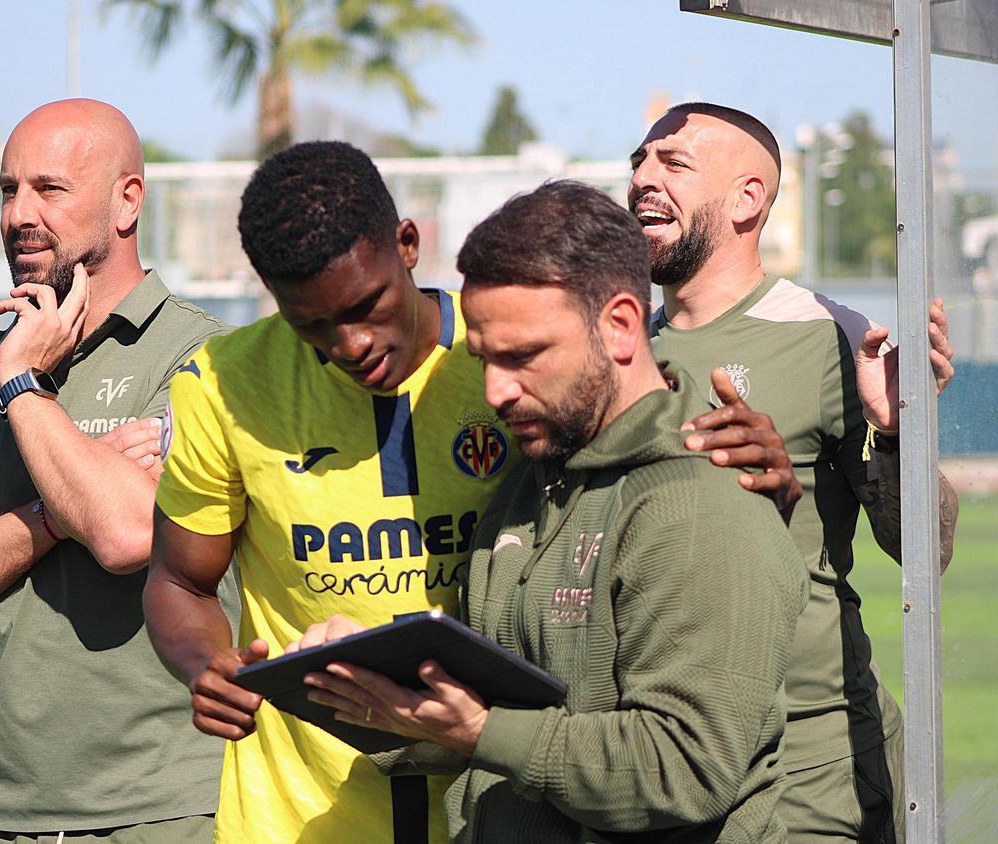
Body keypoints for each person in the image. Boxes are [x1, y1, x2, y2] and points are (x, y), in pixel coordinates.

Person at [302, 181, 810, 843]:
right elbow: (522, 717)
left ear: (622, 325)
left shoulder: (702, 505)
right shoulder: (529, 486)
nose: (495, 390)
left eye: (523, 357)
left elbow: (684, 768)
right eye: (484, 359)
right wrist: (383, 689)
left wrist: (481, 731)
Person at [0, 99, 230, 842]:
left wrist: (24, 391)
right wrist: (51, 513)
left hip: (165, 812)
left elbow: (129, 530)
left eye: (49, 189)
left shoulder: (206, 358)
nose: (18, 214)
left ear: (127, 200)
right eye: (8, 190)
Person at [147, 141, 518, 843]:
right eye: (311, 324)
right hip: (295, 821)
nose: (349, 343)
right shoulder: (223, 384)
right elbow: (178, 580)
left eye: (366, 305)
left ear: (407, 244)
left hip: (499, 809)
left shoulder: (507, 350)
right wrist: (206, 665)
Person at [628, 102, 959, 843]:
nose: (644, 179)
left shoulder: (827, 333)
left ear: (748, 199)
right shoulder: (624, 345)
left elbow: (923, 553)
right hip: (662, 756)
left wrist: (898, 433)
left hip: (808, 768)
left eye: (672, 163)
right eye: (639, 164)